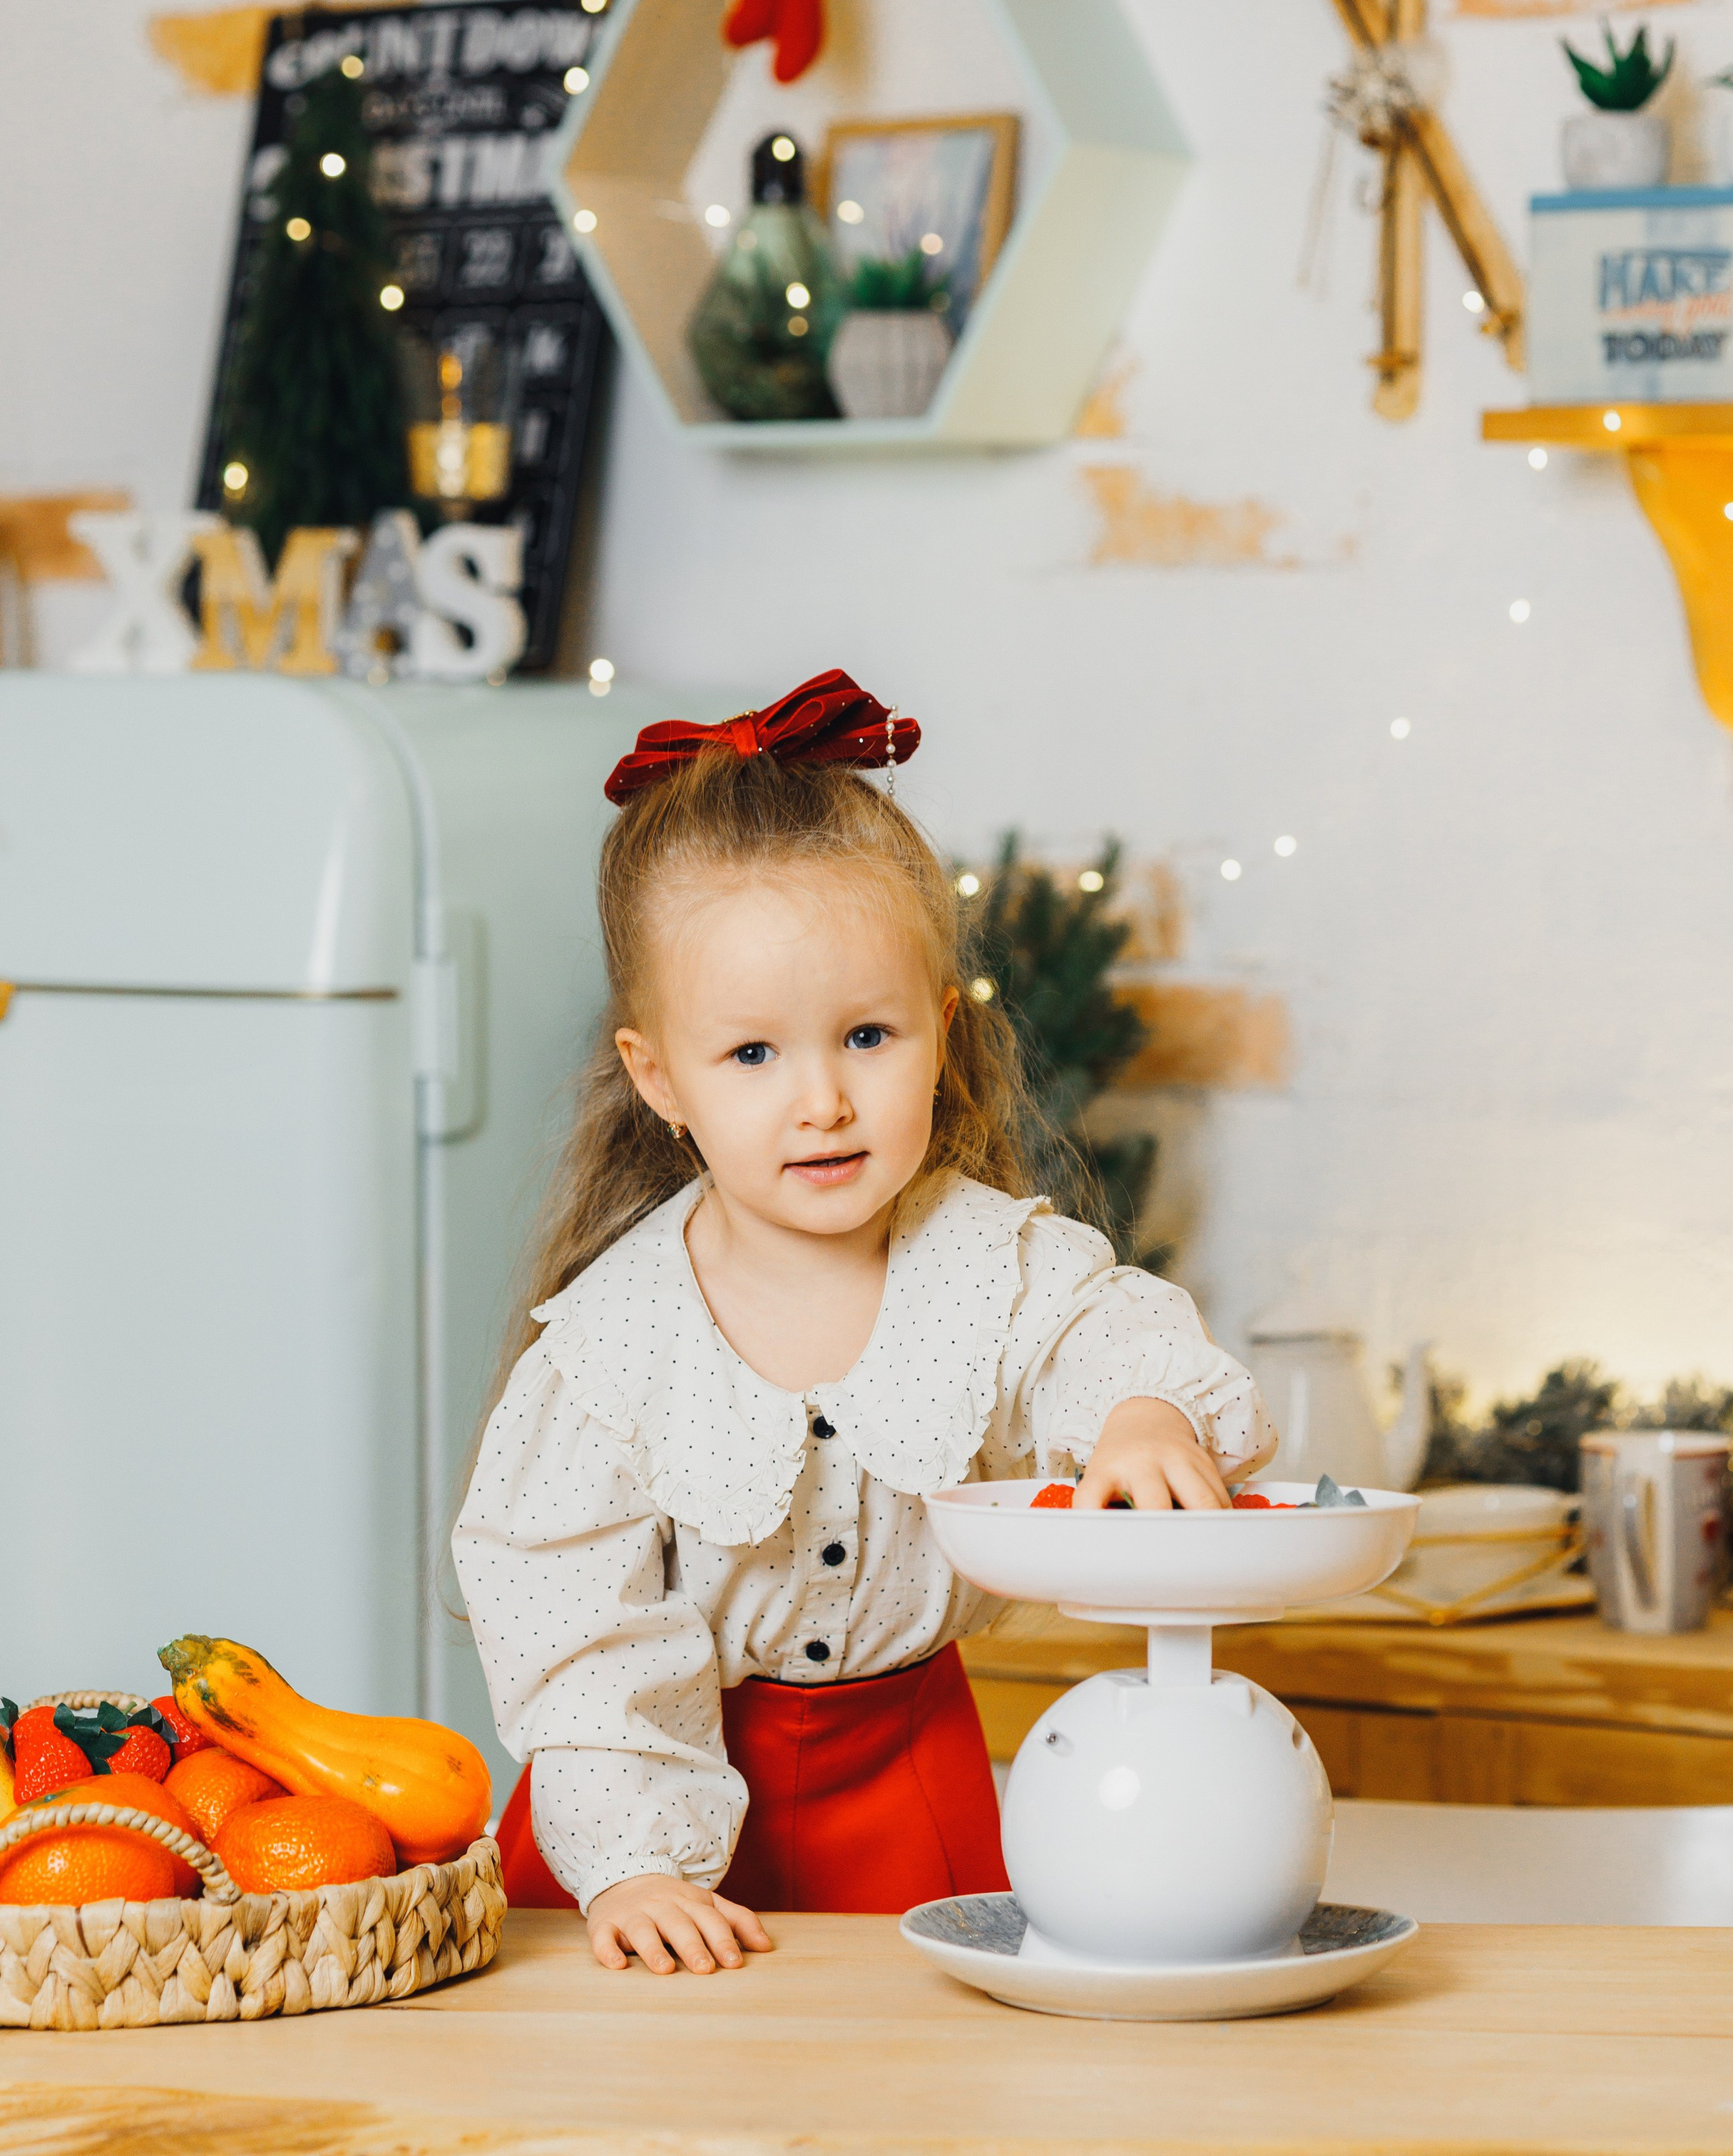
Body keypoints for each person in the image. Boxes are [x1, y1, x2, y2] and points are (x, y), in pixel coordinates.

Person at [453, 670, 1273, 1976]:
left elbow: (1096, 1333)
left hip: (913, 1793)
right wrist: (631, 1869)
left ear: (942, 1034)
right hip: (638, 1831)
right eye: (754, 1056)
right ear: (658, 1075)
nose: (824, 1100)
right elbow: (573, 1617)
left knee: (931, 2109)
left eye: (868, 1035)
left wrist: (1142, 1408)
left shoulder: (992, 1264)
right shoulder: (609, 1346)